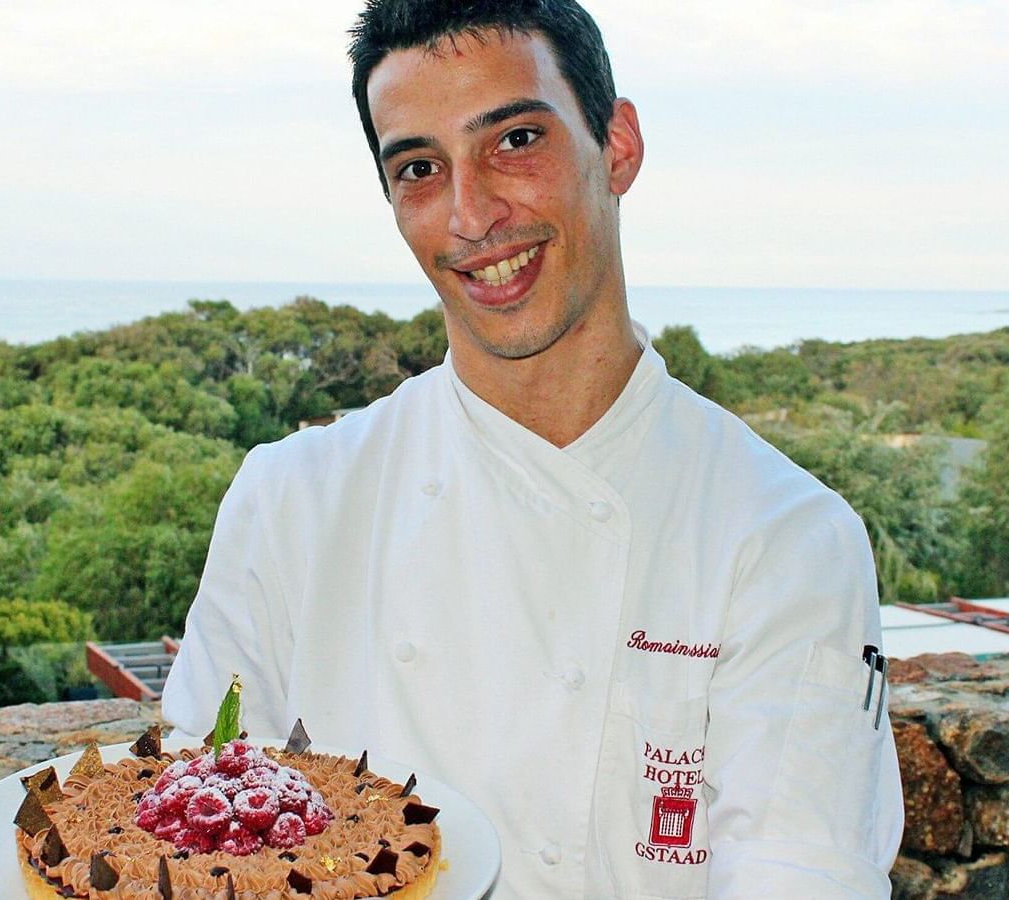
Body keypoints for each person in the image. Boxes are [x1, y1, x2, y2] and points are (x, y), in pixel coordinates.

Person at [162, 1, 904, 896]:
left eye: (515, 141)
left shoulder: (784, 539)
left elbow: (799, 877)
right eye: (421, 167)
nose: (471, 215)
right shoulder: (290, 504)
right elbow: (194, 842)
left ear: (617, 146)